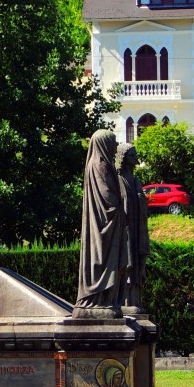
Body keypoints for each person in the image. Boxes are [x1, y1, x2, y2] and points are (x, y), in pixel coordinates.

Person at [75, 129, 128, 314]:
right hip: (104, 225)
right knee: (103, 259)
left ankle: (105, 300)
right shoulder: (100, 165)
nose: (116, 146)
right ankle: (100, 301)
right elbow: (108, 198)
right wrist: (121, 209)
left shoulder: (97, 164)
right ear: (104, 144)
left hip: (102, 224)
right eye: (113, 142)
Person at [116, 142, 150, 312]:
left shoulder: (135, 180)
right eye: (131, 155)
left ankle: (135, 301)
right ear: (123, 158)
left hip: (137, 229)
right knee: (126, 263)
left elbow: (142, 202)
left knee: (136, 263)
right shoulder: (118, 179)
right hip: (125, 230)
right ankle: (125, 303)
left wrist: (141, 199)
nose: (135, 158)